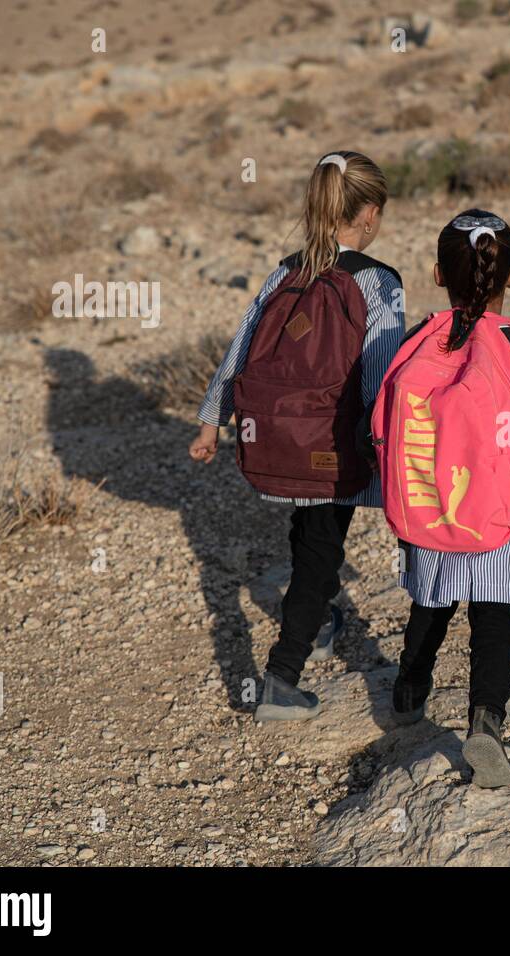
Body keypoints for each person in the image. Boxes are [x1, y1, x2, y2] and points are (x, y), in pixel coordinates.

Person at [189, 150, 404, 721]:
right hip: (336, 446)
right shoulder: (379, 282)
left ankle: (322, 618)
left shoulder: (284, 272)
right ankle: (281, 679)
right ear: (370, 215)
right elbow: (381, 373)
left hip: (276, 443)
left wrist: (214, 419)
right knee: (318, 552)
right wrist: (387, 447)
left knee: (309, 535)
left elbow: (240, 350)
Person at [377, 209, 510, 787]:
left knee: (429, 608)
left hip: (429, 507)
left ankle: (410, 688)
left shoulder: (418, 339)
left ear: (439, 274)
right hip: (494, 513)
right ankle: (485, 724)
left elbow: (382, 423)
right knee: (495, 622)